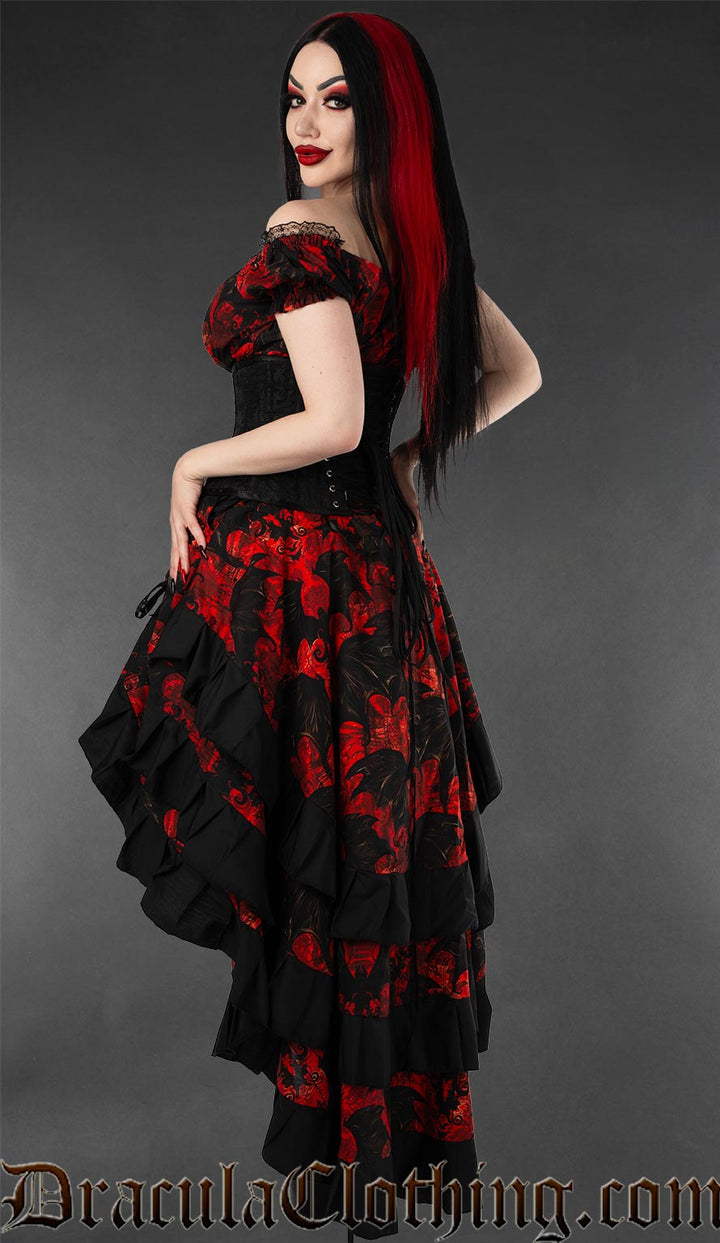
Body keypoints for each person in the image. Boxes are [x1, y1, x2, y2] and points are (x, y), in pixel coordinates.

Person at [78, 11, 541, 1240]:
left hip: (310, 593)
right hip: (377, 592)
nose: (307, 122)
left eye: (337, 99)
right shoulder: (405, 237)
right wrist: (407, 462)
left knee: (327, 867)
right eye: (295, 96)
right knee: (358, 867)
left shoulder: (308, 233)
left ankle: (351, 1167)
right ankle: (368, 1167)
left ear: (387, 116)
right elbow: (515, 373)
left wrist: (191, 461)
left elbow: (331, 422)